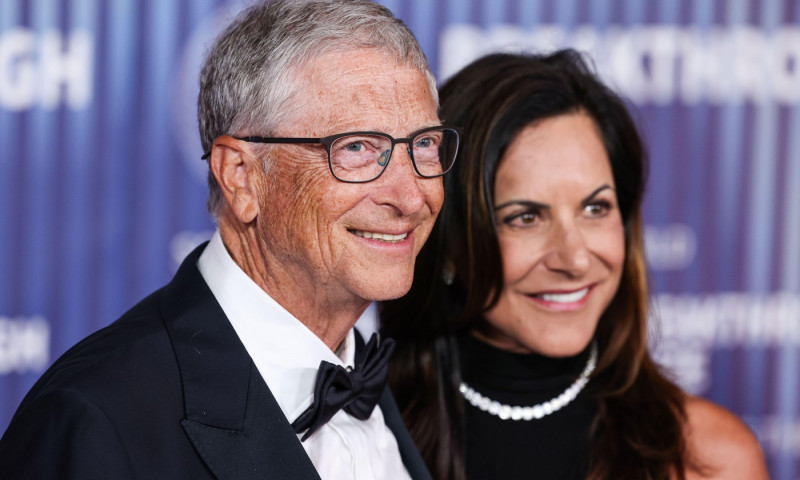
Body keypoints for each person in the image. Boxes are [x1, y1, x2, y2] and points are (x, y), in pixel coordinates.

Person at [0, 1, 460, 478]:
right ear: (241, 176)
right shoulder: (96, 419)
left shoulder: (394, 392)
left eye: (424, 143)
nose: (411, 196)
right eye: (358, 148)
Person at [380, 49, 768, 480]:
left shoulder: (709, 459)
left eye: (595, 209)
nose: (576, 259)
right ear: (448, 242)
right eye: (525, 217)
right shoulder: (357, 435)